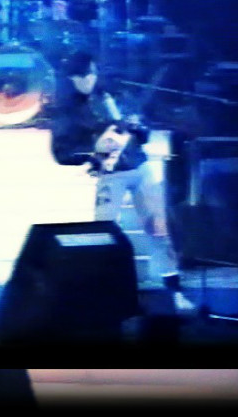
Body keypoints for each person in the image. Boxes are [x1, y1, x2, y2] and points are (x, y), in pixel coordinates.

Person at [50, 50, 195, 314]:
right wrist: (93, 153)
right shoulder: (67, 110)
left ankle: (174, 291)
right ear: (71, 78)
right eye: (81, 76)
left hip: (140, 167)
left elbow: (143, 134)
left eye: (91, 74)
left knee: (159, 229)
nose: (88, 80)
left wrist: (138, 128)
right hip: (110, 174)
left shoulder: (115, 96)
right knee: (102, 231)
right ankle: (100, 291)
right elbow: (61, 153)